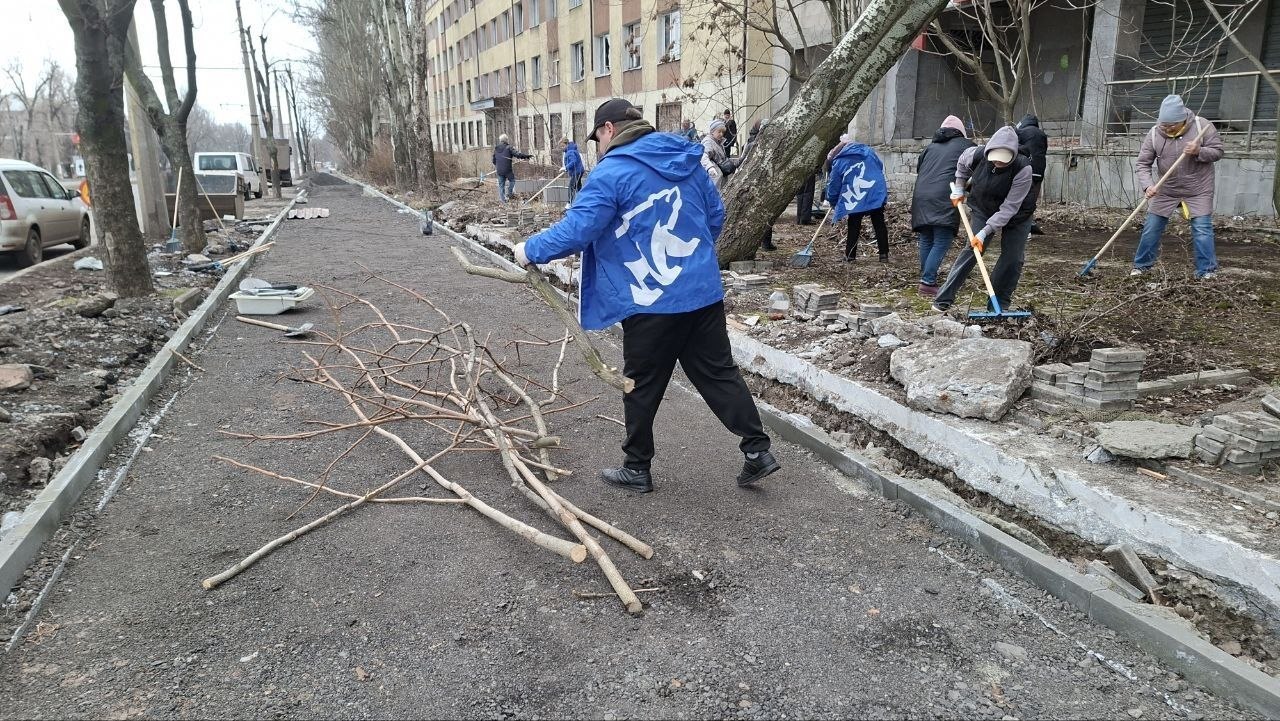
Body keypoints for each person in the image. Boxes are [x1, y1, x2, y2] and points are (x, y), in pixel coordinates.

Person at [512, 97, 780, 493]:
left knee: (641, 383)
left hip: (651, 299)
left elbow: (577, 230)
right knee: (718, 372)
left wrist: (529, 250)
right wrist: (693, 262)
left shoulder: (612, 171)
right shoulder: (685, 159)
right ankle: (757, 450)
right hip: (701, 292)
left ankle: (637, 467)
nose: (598, 148)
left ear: (608, 129)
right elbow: (715, 216)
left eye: (597, 138)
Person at [930, 125, 1036, 313]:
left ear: (1012, 155)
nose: (998, 162)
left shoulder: (1023, 168)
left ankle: (998, 305)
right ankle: (943, 299)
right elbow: (962, 165)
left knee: (1013, 258)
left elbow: (1009, 208)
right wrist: (959, 187)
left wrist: (985, 231)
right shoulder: (977, 154)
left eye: (1003, 160)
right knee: (972, 249)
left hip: (1018, 214)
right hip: (983, 206)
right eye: (995, 158)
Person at [1131, 94, 1223, 280]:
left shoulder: (1202, 126)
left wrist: (1199, 151)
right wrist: (1148, 186)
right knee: (1151, 227)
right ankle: (1141, 266)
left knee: (1202, 229)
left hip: (1198, 188)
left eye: (1171, 125)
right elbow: (1142, 164)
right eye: (1164, 125)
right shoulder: (1155, 134)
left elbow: (1218, 151)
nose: (1167, 128)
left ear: (1183, 120)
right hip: (1166, 189)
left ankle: (1207, 271)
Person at [911, 115, 974, 297]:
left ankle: (926, 277)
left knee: (926, 238)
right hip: (946, 194)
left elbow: (920, 169)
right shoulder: (967, 146)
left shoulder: (929, 147)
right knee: (942, 239)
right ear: (960, 132)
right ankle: (927, 282)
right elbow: (975, 171)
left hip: (921, 196)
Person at [825, 126, 889, 262]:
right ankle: (884, 255)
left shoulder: (839, 161)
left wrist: (832, 200)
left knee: (854, 222)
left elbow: (834, 185)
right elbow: (880, 165)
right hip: (875, 189)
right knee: (878, 221)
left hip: (857, 192)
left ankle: (850, 256)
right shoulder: (869, 152)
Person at [743, 118, 778, 251]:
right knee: (761, 213)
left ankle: (765, 242)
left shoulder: (768, 141)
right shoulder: (753, 143)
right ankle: (762, 242)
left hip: (763, 180)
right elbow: (744, 160)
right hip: (757, 181)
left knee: (765, 213)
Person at [1015, 113, 1048, 235]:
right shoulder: (1042, 134)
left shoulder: (1021, 132)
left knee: (1020, 198)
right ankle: (1029, 221)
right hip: (1039, 171)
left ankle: (1023, 227)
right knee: (1031, 199)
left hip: (1025, 168)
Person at [493, 133, 532, 202]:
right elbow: (517, 154)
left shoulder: (496, 149)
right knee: (512, 181)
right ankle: (510, 193)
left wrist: (499, 165)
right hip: (507, 170)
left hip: (499, 170)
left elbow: (493, 161)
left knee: (501, 186)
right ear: (506, 140)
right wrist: (526, 156)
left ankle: (503, 201)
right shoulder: (509, 147)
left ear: (500, 140)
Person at [700, 119, 737, 190]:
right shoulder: (708, 142)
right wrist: (710, 167)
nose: (721, 134)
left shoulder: (718, 142)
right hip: (714, 177)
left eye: (723, 132)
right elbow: (703, 156)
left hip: (720, 178)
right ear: (712, 131)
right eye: (719, 132)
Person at [561, 137, 584, 208]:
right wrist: (566, 169)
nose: (562, 148)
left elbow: (573, 161)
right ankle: (582, 201)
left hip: (576, 172)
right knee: (578, 187)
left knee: (571, 186)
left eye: (563, 146)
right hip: (578, 171)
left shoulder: (570, 151)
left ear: (567, 144)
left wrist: (566, 167)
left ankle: (569, 203)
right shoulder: (571, 150)